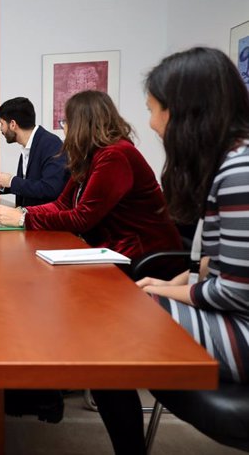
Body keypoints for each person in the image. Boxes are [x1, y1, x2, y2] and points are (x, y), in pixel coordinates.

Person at [92, 47, 249, 455]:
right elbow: (208, 266)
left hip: (243, 327)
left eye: (154, 109)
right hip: (233, 312)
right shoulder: (230, 163)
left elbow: (233, 291)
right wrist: (172, 282)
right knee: (118, 312)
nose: (151, 122)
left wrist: (163, 292)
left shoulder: (238, 173)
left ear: (185, 112)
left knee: (107, 330)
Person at [0, 90, 182, 264]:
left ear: (81, 125)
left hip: (141, 254)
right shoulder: (91, 156)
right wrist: (23, 213)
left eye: (66, 122)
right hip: (111, 248)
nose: (64, 129)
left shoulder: (115, 155)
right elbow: (62, 204)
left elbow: (82, 217)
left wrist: (24, 219)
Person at [0, 97, 69, 206]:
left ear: (13, 124)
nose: (0, 129)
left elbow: (50, 188)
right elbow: (30, 185)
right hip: (26, 218)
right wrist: (3, 183)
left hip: (44, 220)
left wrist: (11, 181)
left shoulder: (51, 144)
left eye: (1, 124)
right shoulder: (29, 144)